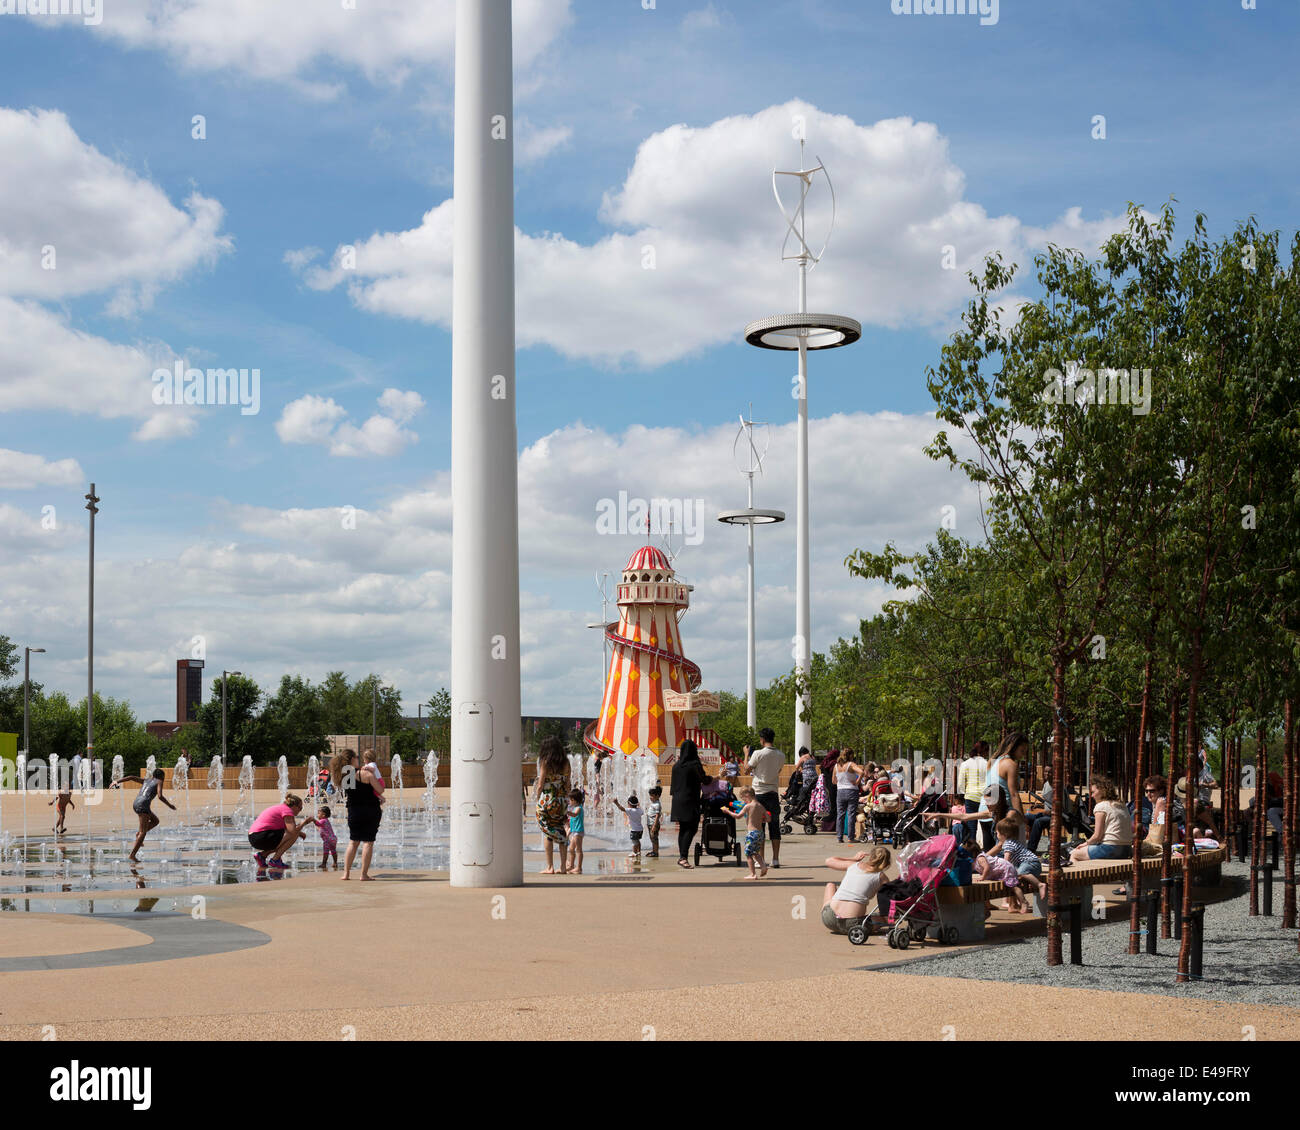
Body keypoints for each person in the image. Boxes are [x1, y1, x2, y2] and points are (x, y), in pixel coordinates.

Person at [331, 748, 385, 881]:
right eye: (356, 756)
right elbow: (381, 789)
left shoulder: (345, 776)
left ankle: (346, 874)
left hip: (354, 812)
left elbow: (353, 795)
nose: (358, 758)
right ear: (352, 760)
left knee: (353, 842)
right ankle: (363, 874)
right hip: (371, 811)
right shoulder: (366, 774)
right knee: (368, 842)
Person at [821, 845, 891, 934]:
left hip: (829, 918)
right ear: (887, 863)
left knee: (830, 885)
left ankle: (831, 912)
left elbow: (828, 861)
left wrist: (854, 858)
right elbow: (887, 901)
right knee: (884, 919)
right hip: (853, 925)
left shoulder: (853, 865)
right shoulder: (881, 877)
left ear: (870, 856)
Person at [746, 728, 786, 868]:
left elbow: (746, 769)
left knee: (759, 828)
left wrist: (746, 754)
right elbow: (778, 771)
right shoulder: (781, 755)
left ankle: (761, 859)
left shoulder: (758, 753)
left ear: (762, 739)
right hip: (773, 793)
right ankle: (775, 859)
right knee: (774, 826)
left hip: (759, 794)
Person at [985, 816, 1044, 909]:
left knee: (1020, 873)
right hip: (1033, 865)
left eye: (997, 833)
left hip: (1030, 863)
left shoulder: (1008, 844)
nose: (996, 834)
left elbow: (1006, 861)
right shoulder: (1013, 841)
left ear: (1003, 834)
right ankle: (1020, 902)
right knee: (1017, 876)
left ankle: (1040, 885)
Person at [1069, 776, 1132, 862]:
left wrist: (1085, 844)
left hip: (1110, 848)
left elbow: (1097, 836)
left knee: (1075, 854)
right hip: (1127, 849)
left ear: (1102, 790)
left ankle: (1081, 875)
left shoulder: (1101, 806)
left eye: (1093, 792)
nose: (1092, 795)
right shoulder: (1121, 805)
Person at [120, 768, 175, 862]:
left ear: (153, 775)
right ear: (162, 776)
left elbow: (131, 777)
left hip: (136, 803)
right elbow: (160, 796)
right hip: (143, 805)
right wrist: (170, 805)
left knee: (155, 821)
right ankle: (132, 855)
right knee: (143, 832)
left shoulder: (147, 780)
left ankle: (138, 834)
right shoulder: (159, 781)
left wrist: (117, 781)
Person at [534, 736, 571, 874]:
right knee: (560, 831)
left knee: (548, 833)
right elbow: (568, 784)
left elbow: (540, 784)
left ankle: (550, 867)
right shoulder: (566, 762)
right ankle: (562, 867)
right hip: (561, 802)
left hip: (547, 801)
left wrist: (538, 797)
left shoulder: (545, 762)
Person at [248, 795, 311, 871]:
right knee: (294, 834)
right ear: (294, 806)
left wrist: (300, 833)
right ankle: (275, 860)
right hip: (261, 837)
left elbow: (284, 829)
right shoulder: (287, 811)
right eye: (300, 807)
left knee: (289, 836)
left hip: (254, 837)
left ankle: (262, 856)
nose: (301, 810)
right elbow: (292, 831)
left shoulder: (281, 808)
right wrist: (304, 823)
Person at [670, 739, 706, 868]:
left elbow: (673, 787)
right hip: (690, 800)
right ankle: (683, 857)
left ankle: (682, 857)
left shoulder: (676, 766)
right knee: (692, 828)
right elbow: (704, 779)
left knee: (683, 829)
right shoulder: (694, 765)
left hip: (677, 801)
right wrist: (716, 778)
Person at [732, 787, 771, 878]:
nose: (744, 801)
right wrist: (761, 820)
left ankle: (753, 874)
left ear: (747, 795)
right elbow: (769, 819)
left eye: (743, 798)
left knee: (748, 854)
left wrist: (727, 811)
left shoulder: (748, 806)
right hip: (760, 833)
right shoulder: (760, 806)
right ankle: (763, 866)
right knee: (754, 853)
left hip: (752, 833)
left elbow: (738, 816)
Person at [833, 750, 863, 844]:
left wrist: (841, 781)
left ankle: (839, 837)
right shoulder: (851, 764)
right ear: (850, 755)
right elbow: (862, 772)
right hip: (851, 790)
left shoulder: (836, 766)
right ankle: (850, 837)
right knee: (851, 814)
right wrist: (857, 782)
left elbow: (834, 781)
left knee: (840, 815)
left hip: (840, 791)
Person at [614, 794, 645, 861]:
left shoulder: (630, 810)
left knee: (634, 842)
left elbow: (621, 809)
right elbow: (642, 812)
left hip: (634, 830)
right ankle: (639, 851)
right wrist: (638, 805)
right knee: (638, 840)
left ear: (629, 803)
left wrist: (616, 803)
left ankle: (634, 852)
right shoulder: (639, 810)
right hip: (640, 829)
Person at [313, 804, 339, 870]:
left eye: (319, 813)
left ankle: (324, 864)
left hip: (327, 840)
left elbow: (318, 824)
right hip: (333, 839)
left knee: (326, 852)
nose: (317, 814)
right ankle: (335, 863)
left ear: (323, 815)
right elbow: (320, 828)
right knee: (333, 851)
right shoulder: (326, 821)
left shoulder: (323, 820)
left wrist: (313, 820)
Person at [567, 789, 586, 874]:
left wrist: (566, 812)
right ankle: (571, 865)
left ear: (574, 800)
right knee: (571, 849)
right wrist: (569, 831)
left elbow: (574, 815)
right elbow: (572, 821)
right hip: (575, 831)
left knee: (578, 849)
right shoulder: (574, 808)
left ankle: (579, 867)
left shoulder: (579, 808)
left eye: (570, 800)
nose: (569, 801)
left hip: (578, 831)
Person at [645, 785, 663, 858]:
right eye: (650, 796)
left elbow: (657, 815)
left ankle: (655, 852)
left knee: (654, 838)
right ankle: (654, 851)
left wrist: (654, 826)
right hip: (650, 824)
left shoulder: (657, 804)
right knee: (652, 838)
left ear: (657, 796)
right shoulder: (654, 803)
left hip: (653, 824)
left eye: (652, 796)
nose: (650, 797)